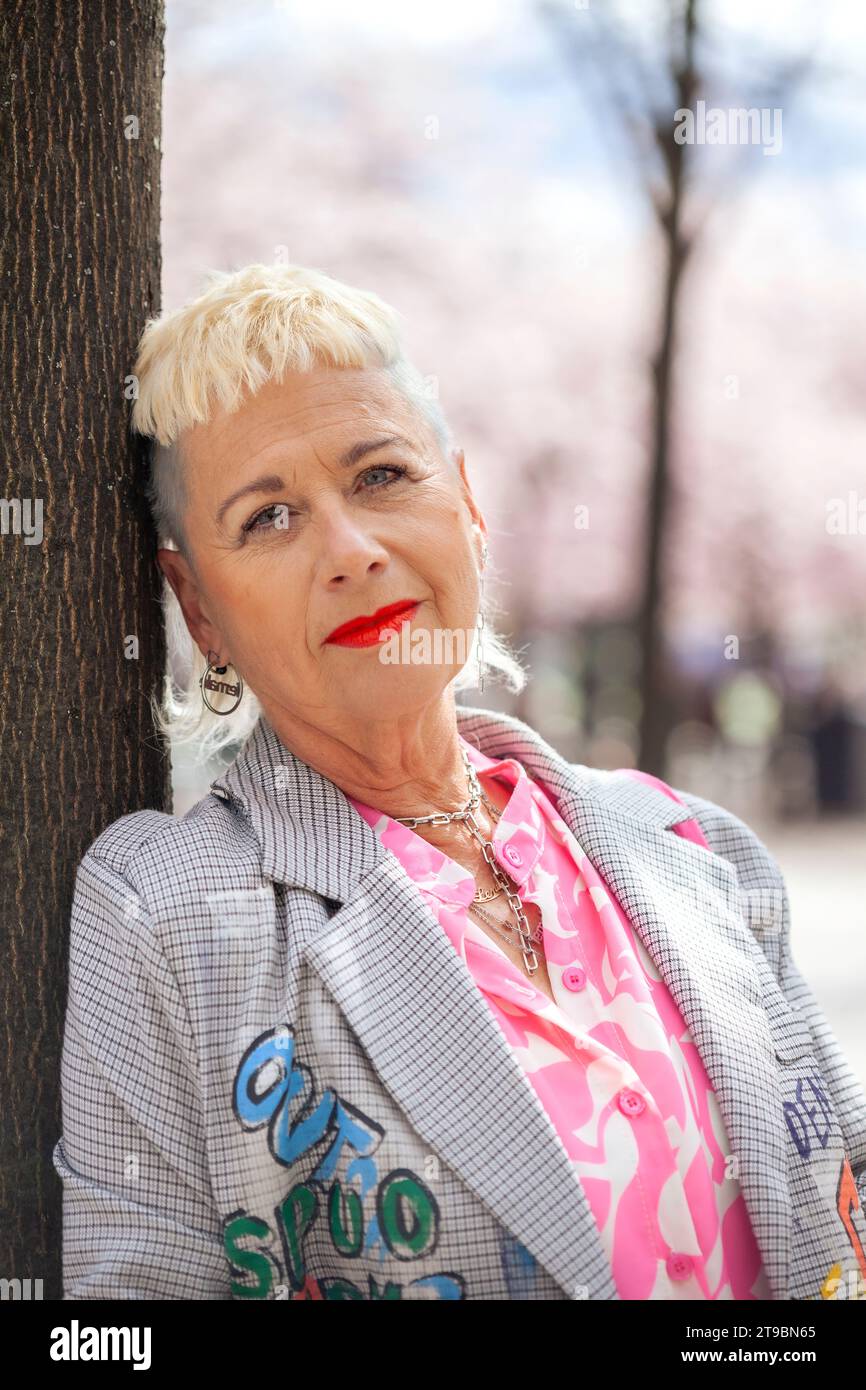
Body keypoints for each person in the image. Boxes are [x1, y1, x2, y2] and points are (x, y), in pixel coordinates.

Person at [53, 262, 866, 1301]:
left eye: (382, 476)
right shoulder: (162, 913)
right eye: (268, 518)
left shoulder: (692, 841)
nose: (350, 550)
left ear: (468, 504)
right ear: (199, 609)